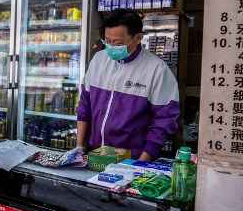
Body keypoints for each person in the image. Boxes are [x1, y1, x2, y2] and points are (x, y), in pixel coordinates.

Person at [76, 9, 179, 160]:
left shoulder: (156, 69)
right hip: (96, 156)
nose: (110, 47)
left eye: (117, 43)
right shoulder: (99, 60)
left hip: (132, 160)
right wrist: (79, 147)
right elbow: (84, 106)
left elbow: (165, 120)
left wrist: (142, 162)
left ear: (138, 38)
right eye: (107, 41)